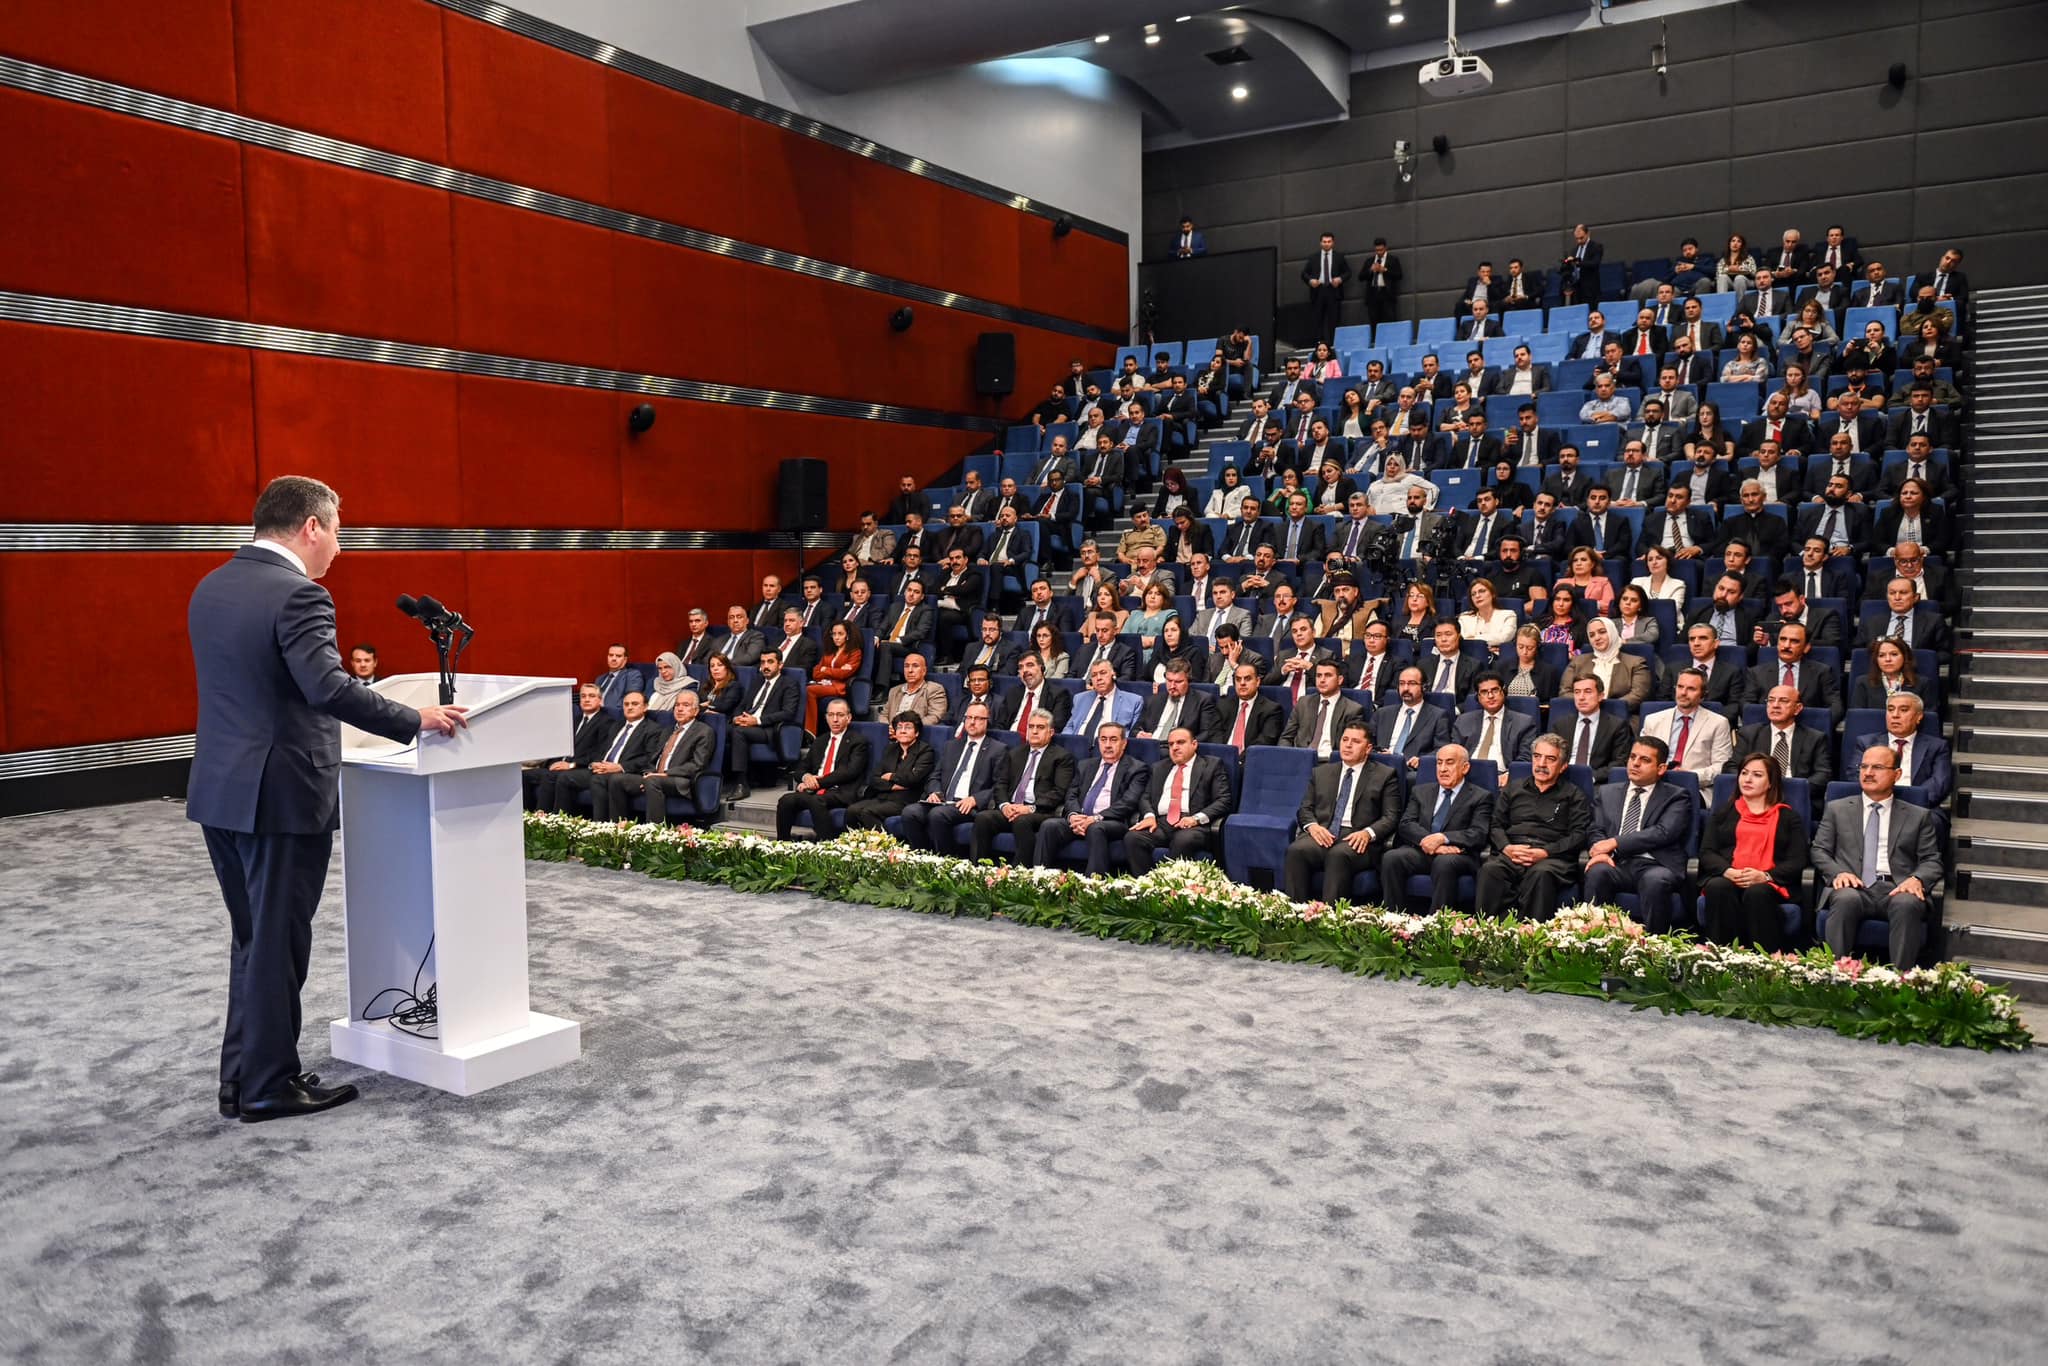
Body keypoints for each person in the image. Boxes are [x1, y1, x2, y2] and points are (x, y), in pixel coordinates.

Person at [187, 477, 469, 1121]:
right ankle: (268, 1086)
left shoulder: (213, 586)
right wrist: (414, 718)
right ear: (310, 527)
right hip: (281, 794)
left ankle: (243, 1078)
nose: (338, 547)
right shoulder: (300, 596)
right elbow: (328, 688)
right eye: (337, 531)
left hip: (221, 790)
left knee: (253, 939)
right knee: (279, 941)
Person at [1814, 744, 1944, 966]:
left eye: (1877, 767)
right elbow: (1819, 850)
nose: (1868, 773)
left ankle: (1901, 982)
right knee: (1844, 899)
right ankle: (1833, 977)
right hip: (1853, 886)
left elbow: (1932, 860)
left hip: (1896, 886)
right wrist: (1837, 873)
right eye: (1864, 766)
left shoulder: (1918, 816)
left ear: (1897, 774)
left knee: (1907, 903)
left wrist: (1917, 879)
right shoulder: (1837, 809)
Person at [1475, 735, 1593, 920]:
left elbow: (1579, 835)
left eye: (1550, 759)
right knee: (1490, 870)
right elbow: (1496, 824)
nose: (1541, 763)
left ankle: (1530, 939)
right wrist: (1507, 848)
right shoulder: (1513, 789)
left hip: (1552, 857)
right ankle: (1489, 936)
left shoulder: (1574, 795)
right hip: (1512, 851)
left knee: (1540, 873)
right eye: (1537, 757)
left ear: (1562, 766)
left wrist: (1545, 852)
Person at [1699, 753, 1809, 951]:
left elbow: (1797, 860)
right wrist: (1727, 871)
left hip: (1770, 882)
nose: (1747, 779)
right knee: (1717, 886)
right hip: (1731, 876)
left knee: (1757, 893)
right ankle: (1721, 958)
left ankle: (1764, 963)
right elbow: (1707, 852)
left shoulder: (1788, 817)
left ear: (1770, 783)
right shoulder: (1724, 813)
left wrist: (1765, 875)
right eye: (1744, 773)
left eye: (1757, 775)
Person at [1582, 737, 1694, 932]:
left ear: (1661, 769)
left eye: (1645, 760)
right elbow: (1596, 829)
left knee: (1655, 881)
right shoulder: (1607, 792)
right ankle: (1594, 942)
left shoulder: (1677, 796)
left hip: (1656, 863)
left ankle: (1654, 947)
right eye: (1633, 757)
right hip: (1616, 863)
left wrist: (1615, 842)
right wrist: (1601, 851)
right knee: (1597, 872)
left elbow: (1663, 832)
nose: (1635, 763)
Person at [1283, 722, 1401, 903]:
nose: (1347, 745)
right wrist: (1313, 827)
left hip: (1358, 838)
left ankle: (1331, 921)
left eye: (1355, 741)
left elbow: (1391, 816)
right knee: (1296, 850)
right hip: (1324, 833)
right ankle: (1296, 915)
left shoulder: (1385, 775)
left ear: (1368, 748)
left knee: (1338, 855)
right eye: (1345, 739)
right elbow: (1305, 809)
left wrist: (1368, 833)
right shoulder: (1321, 772)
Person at [1034, 723, 1151, 873]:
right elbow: (1071, 794)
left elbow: (1128, 802)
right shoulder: (1085, 765)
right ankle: (1038, 879)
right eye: (1103, 739)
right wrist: (1074, 815)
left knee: (1096, 828)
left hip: (1112, 822)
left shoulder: (1136, 768)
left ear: (1124, 743)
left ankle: (1093, 885)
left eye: (1113, 740)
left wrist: (1096, 818)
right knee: (1049, 825)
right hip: (1081, 819)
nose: (1107, 745)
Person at [899, 701, 1005, 855]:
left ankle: (946, 860)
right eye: (968, 718)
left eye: (977, 718)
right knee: (910, 812)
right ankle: (922, 858)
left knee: (938, 815)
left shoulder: (998, 749)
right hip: (943, 801)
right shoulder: (952, 746)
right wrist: (935, 792)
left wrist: (975, 799)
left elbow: (1000, 785)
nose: (972, 722)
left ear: (987, 721)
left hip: (967, 805)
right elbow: (935, 776)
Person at [1124, 728, 1232, 872]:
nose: (1174, 747)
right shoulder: (1159, 767)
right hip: (1161, 823)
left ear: (1194, 744)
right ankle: (1146, 887)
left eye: (1180, 742)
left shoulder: (1211, 765)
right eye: (1171, 744)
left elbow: (1223, 800)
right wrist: (1149, 816)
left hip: (1193, 824)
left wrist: (1196, 819)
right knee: (1133, 837)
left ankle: (1173, 889)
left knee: (1183, 839)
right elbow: (1145, 796)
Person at [972, 711, 1074, 861]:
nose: (1034, 731)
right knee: (983, 818)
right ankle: (978, 870)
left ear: (1051, 732)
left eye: (1040, 727)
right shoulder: (1015, 753)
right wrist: (1005, 806)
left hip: (1039, 811)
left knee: (1022, 820)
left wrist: (1029, 808)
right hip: (1012, 809)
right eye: (1031, 726)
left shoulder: (1062, 757)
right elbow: (1001, 784)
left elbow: (1059, 792)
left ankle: (1019, 872)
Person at [607, 691, 714, 826]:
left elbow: (697, 765)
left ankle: (654, 830)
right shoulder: (668, 730)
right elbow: (652, 758)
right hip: (655, 776)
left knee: (652, 781)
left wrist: (663, 774)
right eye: (677, 705)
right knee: (617, 779)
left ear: (696, 710)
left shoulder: (703, 731)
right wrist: (647, 774)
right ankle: (618, 828)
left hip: (679, 780)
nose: (680, 709)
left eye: (685, 705)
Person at [775, 699, 870, 839]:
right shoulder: (820, 741)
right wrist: (806, 777)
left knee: (815, 801)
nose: (835, 719)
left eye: (840, 715)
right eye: (831, 715)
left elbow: (850, 771)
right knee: (786, 800)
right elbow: (800, 768)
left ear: (848, 718)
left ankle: (827, 845)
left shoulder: (858, 741)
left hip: (841, 791)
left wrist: (818, 782)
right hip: (814, 790)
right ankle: (782, 844)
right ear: (826, 717)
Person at [1847, 692, 1954, 806]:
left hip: (1918, 807)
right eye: (1890, 709)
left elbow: (1939, 783)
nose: (1895, 715)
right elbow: (1855, 776)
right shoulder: (1866, 743)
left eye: (1903, 710)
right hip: (1875, 803)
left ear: (1919, 716)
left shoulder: (1936, 746)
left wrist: (1909, 805)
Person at [1642, 668, 1735, 790]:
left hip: (1695, 788)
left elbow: (1721, 766)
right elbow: (1641, 757)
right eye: (1680, 687)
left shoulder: (1718, 723)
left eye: (1691, 689)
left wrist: (1689, 776)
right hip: (1655, 784)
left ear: (1703, 695)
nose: (1683, 693)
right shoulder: (1653, 720)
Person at [1728, 684, 1832, 789]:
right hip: (1757, 793)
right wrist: (1758, 785)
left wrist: (1794, 789)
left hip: (1795, 794)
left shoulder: (1815, 738)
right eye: (1771, 700)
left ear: (1797, 708)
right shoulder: (1749, 734)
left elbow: (1823, 774)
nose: (1775, 705)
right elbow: (1732, 767)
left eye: (1784, 701)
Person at [844, 714, 937, 830]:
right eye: (899, 727)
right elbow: (875, 778)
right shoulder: (891, 749)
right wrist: (894, 786)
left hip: (906, 801)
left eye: (908, 727)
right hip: (883, 797)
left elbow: (913, 779)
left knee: (868, 812)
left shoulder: (925, 751)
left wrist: (891, 776)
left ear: (916, 732)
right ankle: (856, 844)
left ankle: (883, 845)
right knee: (852, 810)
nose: (902, 731)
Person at [1452, 674, 1536, 779]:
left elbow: (1525, 758)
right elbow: (1454, 752)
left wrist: (1510, 775)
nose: (1490, 696)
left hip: (1501, 776)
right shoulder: (1463, 721)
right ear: (1478, 697)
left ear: (1503, 692)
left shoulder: (1524, 722)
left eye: (1495, 690)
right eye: (1484, 692)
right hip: (1467, 774)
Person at [1562, 617, 1651, 707]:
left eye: (1602, 632)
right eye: (1592, 635)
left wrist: (1603, 708)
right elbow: (1564, 693)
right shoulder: (1578, 661)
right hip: (1583, 715)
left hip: (1621, 716)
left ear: (1612, 632)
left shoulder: (1635, 663)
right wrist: (1588, 705)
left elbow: (1637, 695)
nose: (1597, 638)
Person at [804, 622, 862, 733]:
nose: (836, 637)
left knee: (809, 690)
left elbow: (844, 674)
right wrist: (833, 671)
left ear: (847, 635)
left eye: (840, 634)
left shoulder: (855, 652)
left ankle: (810, 730)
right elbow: (815, 672)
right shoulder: (829, 651)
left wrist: (825, 670)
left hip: (838, 686)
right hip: (823, 683)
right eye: (834, 634)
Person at [1852, 637, 1935, 712]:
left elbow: (1929, 718)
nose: (1888, 659)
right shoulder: (1863, 683)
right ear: (1876, 660)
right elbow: (1859, 718)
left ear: (1904, 656)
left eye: (1894, 654)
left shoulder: (1923, 684)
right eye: (1881, 655)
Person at [1302, 231, 1348, 346]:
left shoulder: (1339, 257)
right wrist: (1310, 281)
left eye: (1329, 242)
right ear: (1320, 243)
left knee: (1334, 319)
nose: (1326, 244)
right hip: (1318, 290)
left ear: (1333, 243)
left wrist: (1340, 279)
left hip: (1333, 290)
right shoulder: (1313, 258)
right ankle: (1319, 345)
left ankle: (1333, 344)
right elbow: (1304, 273)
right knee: (1318, 319)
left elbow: (1348, 272)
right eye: (1324, 242)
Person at [1458, 577, 1520, 655]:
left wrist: (1474, 638)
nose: (1477, 596)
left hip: (1498, 659)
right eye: (1473, 594)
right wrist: (1492, 643)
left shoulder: (1508, 615)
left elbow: (1504, 638)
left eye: (1482, 591)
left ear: (1492, 594)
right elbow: (1463, 641)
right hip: (1471, 657)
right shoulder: (1464, 618)